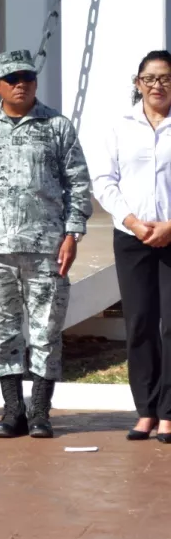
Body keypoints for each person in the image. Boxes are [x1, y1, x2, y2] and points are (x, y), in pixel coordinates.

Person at [0, 50, 93, 439]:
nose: (21, 84)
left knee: (46, 329)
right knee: (2, 329)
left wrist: (72, 233)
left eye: (28, 77)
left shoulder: (56, 126)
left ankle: (40, 412)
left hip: (47, 245)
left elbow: (78, 182)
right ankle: (12, 409)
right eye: (12, 78)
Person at [87, 50, 171, 442]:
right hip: (132, 238)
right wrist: (134, 223)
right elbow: (104, 180)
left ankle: (169, 413)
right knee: (139, 323)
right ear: (137, 83)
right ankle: (146, 411)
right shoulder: (119, 126)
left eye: (166, 78)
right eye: (150, 78)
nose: (158, 85)